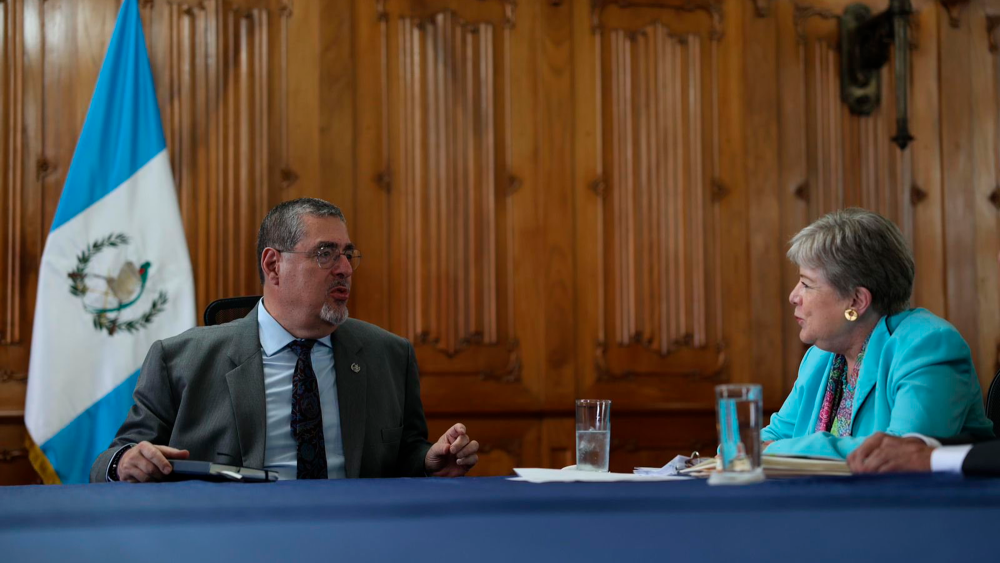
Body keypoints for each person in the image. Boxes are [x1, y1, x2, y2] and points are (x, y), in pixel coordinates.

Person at [91, 198, 479, 482]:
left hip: (357, 536)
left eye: (347, 254)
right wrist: (125, 462)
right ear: (273, 265)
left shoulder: (389, 355)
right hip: (232, 541)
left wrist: (429, 459)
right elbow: (111, 459)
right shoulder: (180, 360)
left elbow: (404, 454)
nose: (344, 269)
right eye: (325, 254)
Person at [760, 208, 994, 459]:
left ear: (856, 301)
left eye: (806, 284)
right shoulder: (820, 358)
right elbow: (764, 439)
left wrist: (775, 450)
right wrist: (753, 449)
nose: (793, 296)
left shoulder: (928, 346)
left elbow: (900, 454)